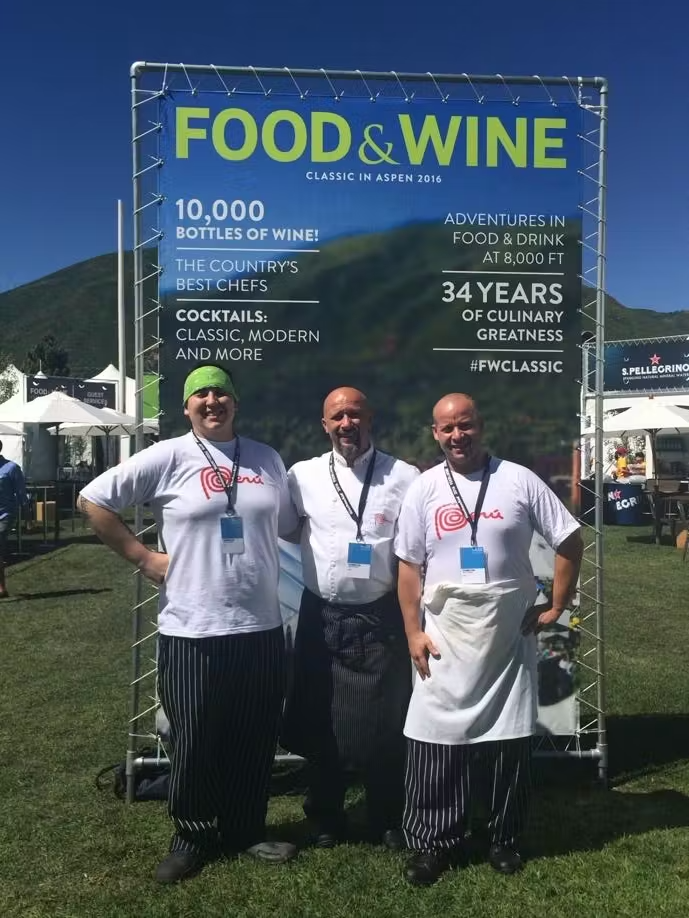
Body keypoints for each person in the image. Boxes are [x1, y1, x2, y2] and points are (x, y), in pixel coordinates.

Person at [78, 364, 298, 883]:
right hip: (192, 628)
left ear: (236, 404)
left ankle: (246, 829)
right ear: (186, 407)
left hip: (260, 627)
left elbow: (289, 524)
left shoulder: (266, 459)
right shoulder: (169, 455)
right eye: (201, 394)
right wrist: (143, 557)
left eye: (221, 393)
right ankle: (191, 835)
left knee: (253, 736)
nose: (212, 401)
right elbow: (93, 500)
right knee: (195, 738)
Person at [395, 393, 583, 885]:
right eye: (447, 428)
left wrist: (557, 605)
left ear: (481, 426)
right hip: (444, 636)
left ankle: (504, 838)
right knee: (436, 741)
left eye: (466, 425)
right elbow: (409, 568)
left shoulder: (518, 479)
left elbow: (568, 540)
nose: (458, 435)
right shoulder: (425, 488)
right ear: (434, 434)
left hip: (507, 635)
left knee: (508, 741)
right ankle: (432, 843)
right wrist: (413, 630)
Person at [281, 387, 419, 849]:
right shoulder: (301, 476)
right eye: (337, 416)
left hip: (380, 619)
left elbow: (413, 554)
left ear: (370, 418)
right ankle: (323, 817)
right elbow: (284, 527)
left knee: (386, 726)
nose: (347, 424)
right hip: (321, 615)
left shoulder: (405, 476)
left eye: (355, 414)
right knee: (320, 722)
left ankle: (386, 818)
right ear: (324, 425)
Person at [0, 441, 28, 599]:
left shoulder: (11, 468)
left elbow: (21, 494)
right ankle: (2, 588)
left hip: (5, 515)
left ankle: (1, 587)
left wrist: (28, 517)